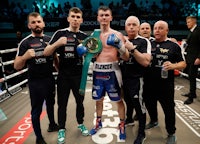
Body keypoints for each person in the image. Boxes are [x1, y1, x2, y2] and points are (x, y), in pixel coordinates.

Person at [43, 7, 89, 144]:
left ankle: (80, 123)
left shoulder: (85, 37)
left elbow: (94, 55)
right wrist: (57, 43)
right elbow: (46, 52)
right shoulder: (60, 33)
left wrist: (88, 53)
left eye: (78, 17)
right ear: (68, 18)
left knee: (80, 102)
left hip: (79, 76)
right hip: (63, 76)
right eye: (73, 16)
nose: (75, 19)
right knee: (61, 104)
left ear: (81, 20)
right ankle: (61, 128)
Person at [14, 12, 59, 144]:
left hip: (49, 79)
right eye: (33, 22)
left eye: (38, 21)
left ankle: (52, 124)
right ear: (29, 25)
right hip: (35, 82)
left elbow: (56, 59)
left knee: (51, 104)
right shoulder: (25, 42)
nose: (36, 24)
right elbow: (17, 66)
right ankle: (39, 138)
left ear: (43, 23)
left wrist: (60, 72)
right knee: (36, 110)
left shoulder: (50, 40)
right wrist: (25, 57)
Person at [88, 6, 129, 140]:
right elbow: (90, 56)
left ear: (111, 18)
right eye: (101, 15)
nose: (104, 17)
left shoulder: (117, 35)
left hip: (113, 71)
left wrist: (120, 46)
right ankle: (98, 123)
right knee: (98, 100)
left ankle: (122, 124)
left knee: (118, 100)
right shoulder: (94, 36)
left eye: (106, 15)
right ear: (98, 18)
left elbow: (126, 57)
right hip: (97, 71)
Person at [143, 20, 186, 144]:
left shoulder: (173, 46)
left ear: (167, 31)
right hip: (149, 84)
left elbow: (183, 64)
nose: (157, 30)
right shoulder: (148, 44)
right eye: (155, 28)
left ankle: (171, 133)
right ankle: (154, 121)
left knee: (169, 110)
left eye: (160, 28)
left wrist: (173, 66)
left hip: (166, 86)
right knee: (150, 105)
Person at [121, 16, 151, 144]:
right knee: (128, 102)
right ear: (125, 27)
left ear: (138, 27)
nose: (131, 27)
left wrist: (132, 48)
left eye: (134, 24)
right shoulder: (122, 40)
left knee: (139, 107)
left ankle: (141, 133)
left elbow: (145, 62)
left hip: (137, 80)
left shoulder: (144, 41)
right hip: (123, 79)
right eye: (129, 25)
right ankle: (129, 119)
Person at [181, 16, 200, 104]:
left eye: (188, 22)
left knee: (192, 76)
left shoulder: (198, 31)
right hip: (190, 57)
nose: (187, 24)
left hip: (195, 58)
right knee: (190, 76)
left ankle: (191, 96)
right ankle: (192, 93)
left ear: (193, 22)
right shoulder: (191, 32)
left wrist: (199, 58)